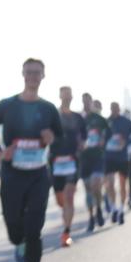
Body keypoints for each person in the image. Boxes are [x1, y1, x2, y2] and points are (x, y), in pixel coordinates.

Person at [0, 58, 62, 262]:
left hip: (38, 174)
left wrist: (51, 138)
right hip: (12, 173)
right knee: (14, 224)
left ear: (43, 76)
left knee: (34, 229)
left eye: (37, 73)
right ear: (22, 75)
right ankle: (18, 242)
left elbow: (59, 136)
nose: (33, 77)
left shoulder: (49, 109)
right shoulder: (7, 105)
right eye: (29, 73)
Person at [49, 86, 86, 248]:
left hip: (72, 160)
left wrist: (81, 145)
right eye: (64, 96)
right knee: (60, 199)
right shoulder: (52, 116)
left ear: (72, 98)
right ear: (59, 97)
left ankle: (66, 231)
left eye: (69, 96)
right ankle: (66, 213)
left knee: (69, 196)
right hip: (55, 162)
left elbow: (84, 137)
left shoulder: (78, 118)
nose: (66, 98)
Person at [103, 102, 131, 224]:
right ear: (110, 109)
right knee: (110, 183)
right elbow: (101, 137)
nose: (114, 110)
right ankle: (113, 208)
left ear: (119, 109)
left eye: (116, 108)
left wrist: (126, 141)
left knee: (123, 184)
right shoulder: (106, 122)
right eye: (112, 108)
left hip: (123, 158)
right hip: (109, 157)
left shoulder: (126, 122)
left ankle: (121, 210)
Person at [80, 93, 109, 232]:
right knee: (88, 190)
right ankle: (91, 216)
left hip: (98, 156)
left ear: (91, 102)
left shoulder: (99, 119)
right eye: (83, 102)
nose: (86, 104)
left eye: (88, 101)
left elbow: (109, 133)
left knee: (96, 186)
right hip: (84, 159)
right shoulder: (79, 119)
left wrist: (104, 140)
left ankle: (99, 209)